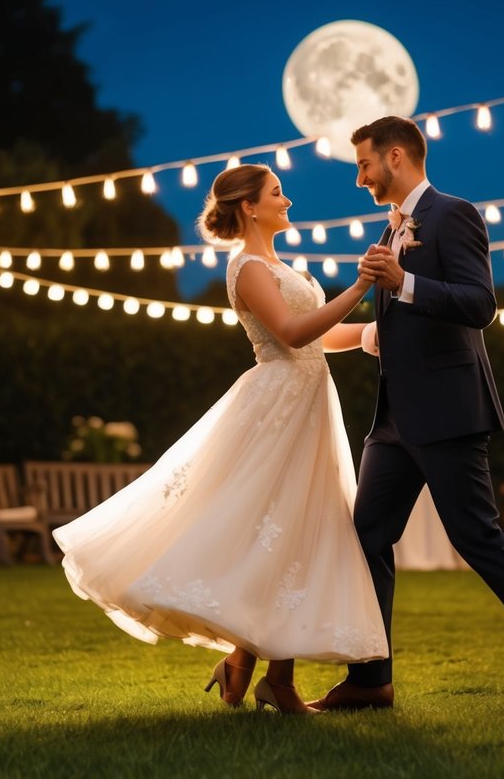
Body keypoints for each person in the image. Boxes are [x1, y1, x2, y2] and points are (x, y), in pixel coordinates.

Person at [53, 164, 388, 715]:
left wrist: (376, 334)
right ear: (249, 207)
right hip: (276, 408)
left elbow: (321, 335)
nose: (288, 199)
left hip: (310, 408)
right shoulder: (249, 268)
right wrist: (361, 286)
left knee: (300, 533)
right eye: (277, 193)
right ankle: (261, 674)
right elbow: (291, 333)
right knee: (267, 532)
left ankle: (262, 673)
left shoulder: (287, 268)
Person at [307, 117, 504, 716]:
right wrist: (375, 328)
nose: (359, 178)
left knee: (479, 538)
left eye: (364, 164)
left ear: (395, 157)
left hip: (447, 413)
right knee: (364, 538)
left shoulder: (454, 214)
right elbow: (400, 326)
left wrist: (405, 281)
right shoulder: (392, 228)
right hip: (392, 420)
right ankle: (370, 679)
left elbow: (479, 304)